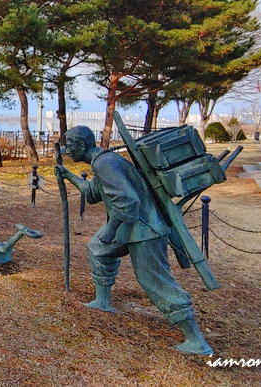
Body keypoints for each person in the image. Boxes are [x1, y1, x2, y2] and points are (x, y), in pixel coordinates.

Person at [54, 125, 213, 355]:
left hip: (145, 229)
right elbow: (93, 194)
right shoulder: (101, 163)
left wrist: (111, 228)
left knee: (154, 280)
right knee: (97, 249)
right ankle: (103, 301)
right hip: (130, 228)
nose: (67, 150)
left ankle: (195, 339)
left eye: (69, 146)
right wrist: (68, 175)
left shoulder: (104, 164)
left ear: (80, 146)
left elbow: (129, 202)